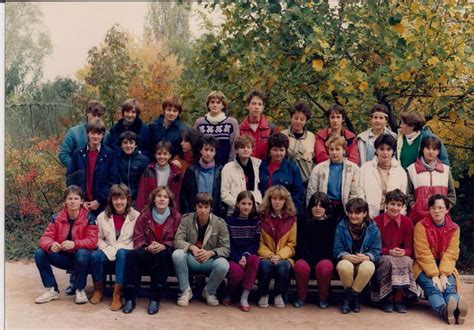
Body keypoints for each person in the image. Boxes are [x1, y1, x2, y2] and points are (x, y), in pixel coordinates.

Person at [122, 186, 181, 315]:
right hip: (147, 252)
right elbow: (138, 237)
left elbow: (179, 238)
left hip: (166, 254)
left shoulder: (176, 217)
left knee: (163, 255)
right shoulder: (144, 216)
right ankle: (130, 298)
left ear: (169, 200)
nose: (162, 199)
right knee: (133, 255)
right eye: (159, 196)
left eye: (165, 197)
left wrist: (165, 245)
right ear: (153, 199)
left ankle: (155, 299)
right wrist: (146, 247)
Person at [34, 185, 97, 304]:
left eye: (76, 198)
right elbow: (45, 238)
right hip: (63, 257)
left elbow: (92, 241)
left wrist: (74, 244)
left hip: (82, 259)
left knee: (82, 253)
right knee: (40, 253)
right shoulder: (57, 218)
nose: (73, 201)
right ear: (65, 201)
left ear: (82, 201)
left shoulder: (89, 218)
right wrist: (51, 244)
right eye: (70, 198)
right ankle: (52, 289)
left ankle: (80, 289)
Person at [413, 194, 468, 324]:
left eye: (440, 208)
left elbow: (451, 253)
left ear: (447, 209)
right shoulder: (420, 226)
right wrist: (434, 275)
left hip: (445, 266)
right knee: (434, 288)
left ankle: (456, 307)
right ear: (429, 210)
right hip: (423, 266)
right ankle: (446, 311)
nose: (436, 211)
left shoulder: (455, 228)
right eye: (433, 208)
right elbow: (422, 253)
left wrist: (443, 274)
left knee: (448, 286)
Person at [172, 192, 230, 307]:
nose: (203, 210)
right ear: (195, 207)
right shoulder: (186, 219)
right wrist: (191, 247)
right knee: (177, 254)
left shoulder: (220, 223)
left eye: (206, 207)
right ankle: (185, 291)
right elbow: (177, 241)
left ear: (211, 208)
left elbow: (226, 248)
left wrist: (211, 253)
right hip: (191, 259)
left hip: (209, 260)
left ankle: (209, 292)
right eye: (200, 207)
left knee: (223, 264)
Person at [90, 184, 140, 311]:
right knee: (95, 256)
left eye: (122, 199)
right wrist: (105, 247)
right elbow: (98, 237)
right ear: (111, 201)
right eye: (115, 199)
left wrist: (123, 249)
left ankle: (117, 294)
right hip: (109, 249)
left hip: (126, 251)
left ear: (127, 200)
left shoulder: (136, 216)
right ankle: (98, 290)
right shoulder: (102, 216)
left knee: (122, 254)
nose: (119, 202)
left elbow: (138, 238)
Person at [371, 189, 417, 313]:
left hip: (399, 255)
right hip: (382, 255)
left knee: (406, 260)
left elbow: (409, 248)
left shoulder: (407, 223)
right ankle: (387, 299)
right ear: (386, 204)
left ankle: (399, 299)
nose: (395, 208)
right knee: (389, 261)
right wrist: (388, 251)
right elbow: (373, 248)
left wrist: (404, 252)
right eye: (392, 204)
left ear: (402, 207)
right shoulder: (376, 221)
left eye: (398, 205)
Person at [333, 198, 381, 314]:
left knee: (368, 267)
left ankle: (349, 299)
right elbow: (337, 249)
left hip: (363, 261)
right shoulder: (341, 226)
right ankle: (354, 300)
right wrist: (345, 256)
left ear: (364, 213)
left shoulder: (373, 228)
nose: (353, 216)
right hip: (347, 261)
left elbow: (376, 251)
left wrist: (367, 257)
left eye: (357, 212)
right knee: (345, 267)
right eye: (351, 212)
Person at [66, 118, 118, 218]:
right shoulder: (78, 154)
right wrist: (80, 200)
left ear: (103, 135)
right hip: (81, 204)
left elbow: (113, 181)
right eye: (93, 133)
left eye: (99, 134)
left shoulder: (110, 154)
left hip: (102, 205)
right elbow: (70, 179)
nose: (95, 136)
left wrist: (99, 200)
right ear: (88, 133)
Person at [293, 192, 337, 309]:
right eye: (315, 205)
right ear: (310, 207)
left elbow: (330, 246)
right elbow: (299, 243)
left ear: (326, 208)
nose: (318, 209)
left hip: (324, 257)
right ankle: (301, 296)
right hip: (305, 257)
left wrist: (319, 259)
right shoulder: (302, 220)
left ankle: (323, 297)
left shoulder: (331, 223)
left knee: (325, 267)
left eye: (321, 206)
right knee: (300, 266)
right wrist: (308, 258)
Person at [257, 186, 297, 308]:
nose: (277, 202)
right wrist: (270, 255)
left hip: (283, 256)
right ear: (269, 200)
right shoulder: (262, 217)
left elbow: (291, 244)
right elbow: (260, 243)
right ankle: (263, 294)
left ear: (286, 201)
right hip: (265, 255)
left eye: (281, 199)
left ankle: (277, 294)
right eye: (274, 198)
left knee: (284, 266)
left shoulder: (292, 219)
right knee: (264, 265)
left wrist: (279, 256)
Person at [307, 135, 360, 220]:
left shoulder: (354, 169)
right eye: (331, 149)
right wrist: (312, 210)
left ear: (344, 150)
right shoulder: (319, 168)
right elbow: (312, 190)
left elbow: (355, 193)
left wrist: (352, 210)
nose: (334, 152)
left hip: (343, 208)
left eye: (337, 149)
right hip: (324, 207)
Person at [224, 191, 261, 312]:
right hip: (233, 256)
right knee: (236, 272)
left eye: (249, 204)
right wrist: (237, 258)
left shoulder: (256, 221)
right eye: (243, 203)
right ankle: (229, 292)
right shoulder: (229, 221)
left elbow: (255, 243)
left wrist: (245, 256)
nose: (246, 207)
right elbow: (228, 244)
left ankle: (244, 297)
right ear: (237, 205)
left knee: (255, 260)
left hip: (248, 255)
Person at [406, 136, 456, 223]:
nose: (431, 151)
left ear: (438, 151)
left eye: (434, 149)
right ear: (422, 149)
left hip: (440, 218)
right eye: (428, 148)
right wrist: (415, 206)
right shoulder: (411, 169)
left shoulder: (446, 170)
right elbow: (408, 194)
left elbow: (452, 195)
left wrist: (445, 208)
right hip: (418, 217)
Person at [359, 134, 407, 219]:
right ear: (376, 150)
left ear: (393, 151)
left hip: (392, 216)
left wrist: (398, 216)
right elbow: (360, 193)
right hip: (369, 215)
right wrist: (364, 214)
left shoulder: (400, 172)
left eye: (388, 149)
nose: (385, 153)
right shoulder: (365, 168)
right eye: (381, 149)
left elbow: (403, 198)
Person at [258, 133, 305, 214]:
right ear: (270, 150)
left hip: (285, 212)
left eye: (281, 150)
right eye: (275, 150)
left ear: (286, 151)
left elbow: (298, 192)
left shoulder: (292, 168)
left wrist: (289, 210)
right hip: (264, 210)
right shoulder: (261, 166)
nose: (278, 153)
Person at [180, 136, 223, 217]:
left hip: (214, 214)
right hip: (194, 213)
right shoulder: (191, 170)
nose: (208, 153)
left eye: (211, 150)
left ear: (215, 152)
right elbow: (184, 194)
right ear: (201, 150)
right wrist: (186, 213)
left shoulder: (220, 171)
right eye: (206, 149)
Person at [194, 91, 240, 166]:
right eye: (212, 102)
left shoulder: (232, 123)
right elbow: (195, 145)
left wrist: (230, 165)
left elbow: (234, 146)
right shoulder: (200, 123)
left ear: (223, 105)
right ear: (208, 105)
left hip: (225, 165)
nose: (215, 105)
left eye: (218, 102)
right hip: (204, 167)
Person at [221, 135, 262, 216]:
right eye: (242, 147)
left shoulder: (258, 165)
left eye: (248, 147)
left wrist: (256, 205)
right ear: (236, 150)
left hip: (254, 212)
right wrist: (239, 206)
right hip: (234, 212)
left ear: (252, 149)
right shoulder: (228, 168)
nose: (246, 149)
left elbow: (260, 189)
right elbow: (224, 194)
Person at [136, 141, 182, 212]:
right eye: (159, 154)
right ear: (155, 155)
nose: (162, 157)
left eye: (165, 154)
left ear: (170, 155)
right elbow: (141, 193)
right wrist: (141, 211)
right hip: (151, 209)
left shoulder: (176, 172)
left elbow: (178, 196)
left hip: (170, 210)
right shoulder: (149, 170)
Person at [59, 100, 107, 169]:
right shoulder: (74, 132)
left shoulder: (106, 134)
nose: (96, 118)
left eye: (99, 116)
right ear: (87, 113)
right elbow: (64, 154)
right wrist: (76, 169)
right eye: (94, 115)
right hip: (77, 177)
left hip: (99, 177)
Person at [281, 100, 316, 186]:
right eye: (296, 118)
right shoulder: (282, 135)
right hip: (286, 182)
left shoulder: (312, 137)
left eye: (302, 119)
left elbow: (316, 160)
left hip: (306, 184)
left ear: (306, 121)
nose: (298, 122)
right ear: (291, 118)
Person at [239, 88, 278, 160]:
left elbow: (276, 153)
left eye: (260, 104)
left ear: (263, 107)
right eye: (254, 103)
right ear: (247, 105)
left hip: (264, 169)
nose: (257, 107)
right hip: (245, 168)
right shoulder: (240, 129)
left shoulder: (271, 128)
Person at [116, 131, 149, 205]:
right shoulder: (116, 158)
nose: (128, 146)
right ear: (121, 145)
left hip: (136, 199)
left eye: (131, 142)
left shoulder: (143, 160)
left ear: (136, 145)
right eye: (125, 143)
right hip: (119, 198)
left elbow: (147, 182)